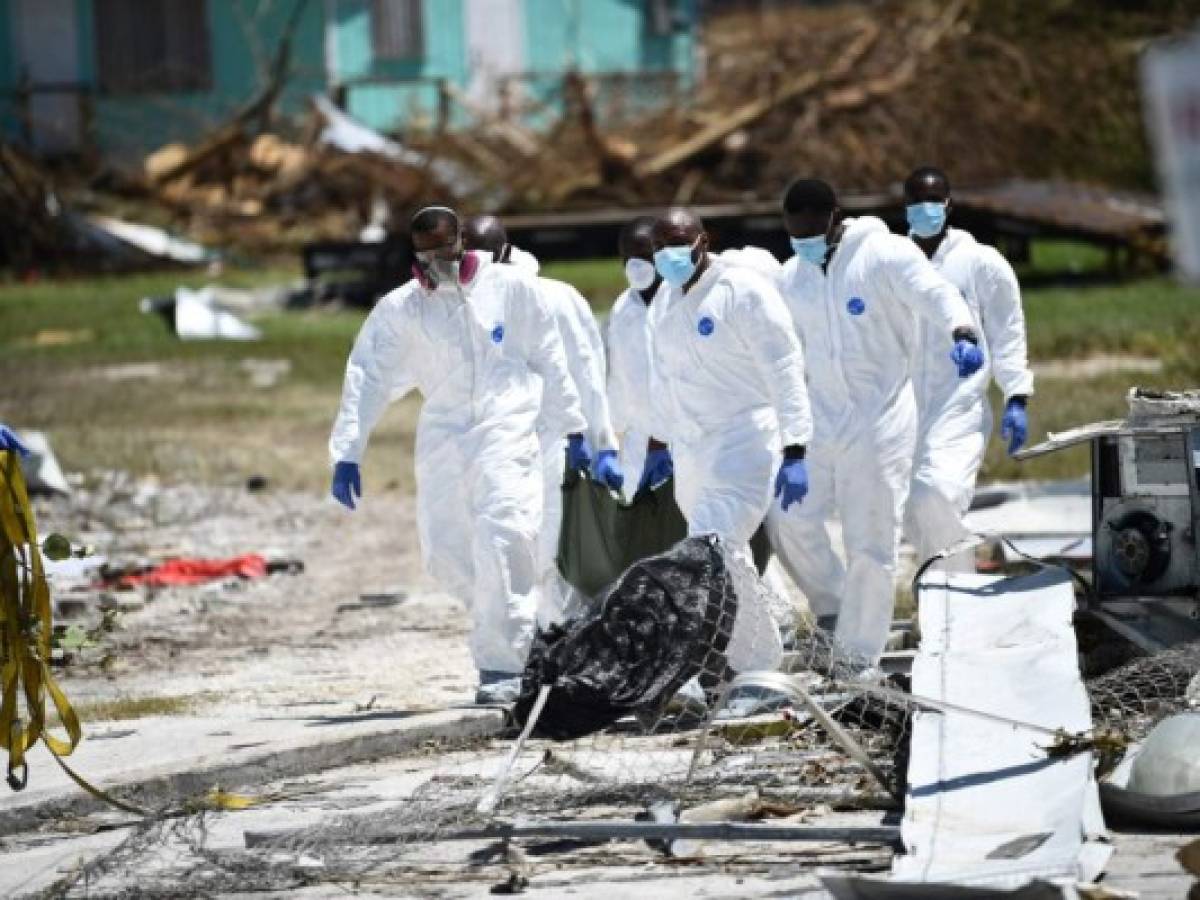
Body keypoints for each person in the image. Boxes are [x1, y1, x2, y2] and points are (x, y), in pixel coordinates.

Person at [328, 206, 588, 704]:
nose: (438, 262)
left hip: (507, 427)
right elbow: (368, 375)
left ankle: (502, 666)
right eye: (427, 254)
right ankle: (521, 625)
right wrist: (348, 450)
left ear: (463, 242)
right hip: (444, 433)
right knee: (446, 550)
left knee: (504, 532)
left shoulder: (512, 290)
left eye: (446, 250)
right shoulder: (404, 308)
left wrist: (573, 429)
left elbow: (552, 359)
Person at [769, 178, 983, 667]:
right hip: (820, 422)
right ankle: (836, 608)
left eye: (810, 231)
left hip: (879, 419)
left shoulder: (882, 255)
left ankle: (857, 656)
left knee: (871, 540)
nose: (802, 241)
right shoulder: (792, 278)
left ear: (834, 218)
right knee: (788, 520)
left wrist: (962, 330)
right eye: (793, 232)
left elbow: (935, 292)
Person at [646, 208, 814, 675]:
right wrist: (658, 442)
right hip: (692, 450)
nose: (668, 254)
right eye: (659, 245)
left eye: (677, 242)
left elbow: (785, 370)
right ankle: (775, 621)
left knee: (714, 547)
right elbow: (664, 378)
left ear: (703, 240)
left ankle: (758, 672)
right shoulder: (664, 298)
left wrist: (796, 447)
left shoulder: (742, 291)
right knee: (723, 551)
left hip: (745, 439)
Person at [462, 215, 622, 622]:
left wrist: (601, 442)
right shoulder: (463, 302)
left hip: (557, 440)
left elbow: (587, 371)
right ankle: (530, 641)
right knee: (508, 545)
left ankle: (561, 640)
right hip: (497, 441)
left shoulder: (553, 296)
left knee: (555, 548)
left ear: (503, 251)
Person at [902, 166, 1035, 571]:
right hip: (902, 413)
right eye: (917, 202)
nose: (926, 209)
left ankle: (952, 591)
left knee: (937, 493)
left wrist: (1016, 396)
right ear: (904, 207)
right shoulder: (895, 262)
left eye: (934, 200)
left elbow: (1008, 332)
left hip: (958, 408)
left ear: (948, 204)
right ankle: (938, 595)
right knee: (913, 511)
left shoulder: (980, 262)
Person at [607, 216, 666, 496]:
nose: (635, 265)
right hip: (636, 444)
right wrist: (612, 438)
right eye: (627, 257)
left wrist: (663, 439)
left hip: (683, 440)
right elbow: (618, 377)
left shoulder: (682, 301)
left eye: (644, 256)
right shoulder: (623, 308)